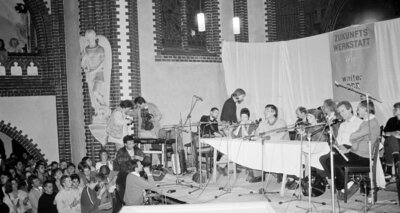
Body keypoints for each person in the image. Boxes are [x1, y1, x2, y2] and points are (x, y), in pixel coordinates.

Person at [321, 100, 380, 198]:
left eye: (359, 109)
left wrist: (350, 145)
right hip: (355, 152)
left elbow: (353, 137)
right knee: (328, 159)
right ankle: (343, 186)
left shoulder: (370, 123)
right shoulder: (366, 122)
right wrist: (348, 148)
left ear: (366, 109)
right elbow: (355, 139)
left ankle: (346, 185)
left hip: (362, 156)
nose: (357, 111)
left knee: (332, 161)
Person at [81, 30, 107, 115]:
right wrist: (85, 66)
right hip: (90, 74)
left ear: (94, 37)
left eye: (91, 37)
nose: (90, 39)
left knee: (95, 91)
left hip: (98, 73)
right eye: (88, 38)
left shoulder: (100, 49)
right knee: (92, 94)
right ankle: (98, 109)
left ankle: (104, 104)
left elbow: (103, 63)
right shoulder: (86, 50)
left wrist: (94, 71)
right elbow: (82, 64)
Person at [383, 102, 400, 179]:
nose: (393, 110)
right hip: (391, 142)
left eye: (396, 109)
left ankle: (388, 171)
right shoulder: (391, 120)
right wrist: (394, 133)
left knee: (389, 143)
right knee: (391, 139)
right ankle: (397, 159)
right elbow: (385, 133)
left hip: (396, 144)